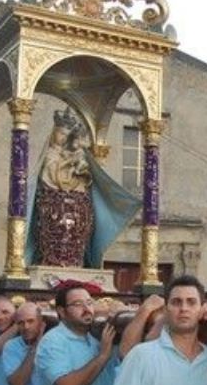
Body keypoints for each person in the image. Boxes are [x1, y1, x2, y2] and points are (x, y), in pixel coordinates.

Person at [26, 107, 141, 268]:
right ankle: (51, 260)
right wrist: (68, 166)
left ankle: (75, 261)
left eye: (65, 135)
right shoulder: (50, 153)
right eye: (60, 133)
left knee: (76, 231)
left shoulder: (78, 153)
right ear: (53, 133)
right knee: (55, 229)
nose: (62, 138)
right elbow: (50, 174)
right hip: (52, 200)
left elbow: (86, 176)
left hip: (77, 200)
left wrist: (79, 170)